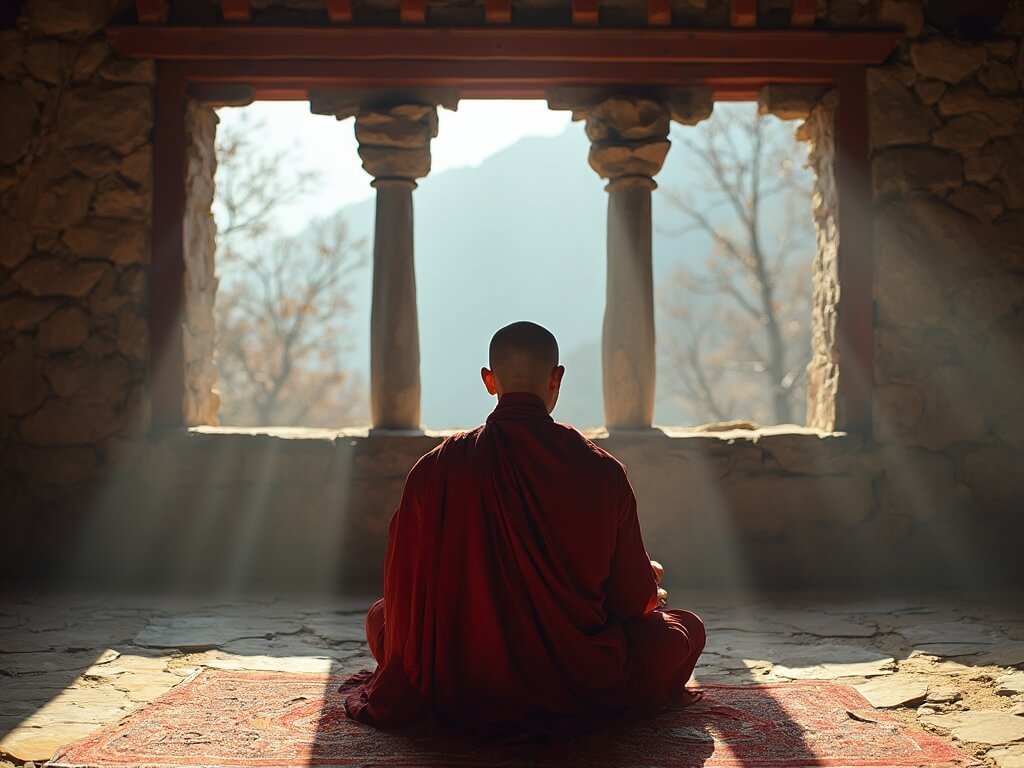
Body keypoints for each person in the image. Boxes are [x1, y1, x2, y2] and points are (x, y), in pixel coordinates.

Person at [343, 321, 705, 731]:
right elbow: (630, 601)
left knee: (382, 617)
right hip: (577, 678)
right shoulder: (601, 471)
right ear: (557, 378)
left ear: (489, 381)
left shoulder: (435, 469)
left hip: (458, 676)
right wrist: (648, 580)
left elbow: (403, 588)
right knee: (685, 629)